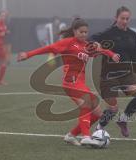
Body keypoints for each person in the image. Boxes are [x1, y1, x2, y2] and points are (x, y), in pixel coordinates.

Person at [17, 18, 120, 146]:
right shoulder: (68, 42)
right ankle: (86, 136)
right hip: (70, 82)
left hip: (80, 82)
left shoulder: (87, 46)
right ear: (74, 31)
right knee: (86, 103)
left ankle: (71, 136)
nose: (83, 34)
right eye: (81, 32)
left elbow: (101, 50)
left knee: (98, 113)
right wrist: (28, 54)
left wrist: (112, 54)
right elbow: (49, 48)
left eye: (85, 32)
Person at [91, 6, 136, 137]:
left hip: (127, 75)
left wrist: (135, 72)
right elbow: (92, 37)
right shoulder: (109, 33)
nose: (125, 21)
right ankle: (99, 128)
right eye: (122, 18)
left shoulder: (133, 35)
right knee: (113, 108)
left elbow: (135, 54)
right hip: (109, 76)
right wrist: (96, 43)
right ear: (116, 18)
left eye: (127, 18)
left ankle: (123, 120)